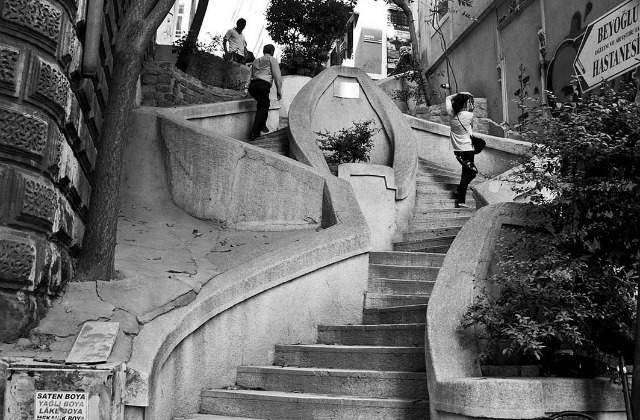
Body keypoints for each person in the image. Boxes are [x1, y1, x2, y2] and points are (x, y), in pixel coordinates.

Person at [446, 91, 477, 208]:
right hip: (468, 148)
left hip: (457, 149)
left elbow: (448, 98)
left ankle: (459, 193)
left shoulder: (451, 113)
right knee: (470, 173)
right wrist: (466, 94)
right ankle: (460, 199)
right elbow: (471, 102)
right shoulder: (469, 115)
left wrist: (459, 95)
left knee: (466, 171)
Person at [248, 44, 282, 140]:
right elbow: (277, 77)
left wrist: (247, 89)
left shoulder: (256, 61)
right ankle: (254, 132)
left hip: (253, 86)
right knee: (263, 107)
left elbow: (250, 75)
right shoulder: (272, 59)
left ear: (263, 51)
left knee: (263, 105)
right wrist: (279, 91)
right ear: (272, 52)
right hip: (263, 85)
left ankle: (262, 126)